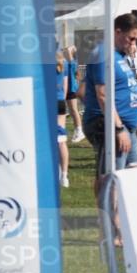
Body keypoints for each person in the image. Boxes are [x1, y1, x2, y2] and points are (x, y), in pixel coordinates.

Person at [83, 13, 137, 199]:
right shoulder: (103, 54)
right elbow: (102, 94)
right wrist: (118, 129)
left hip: (127, 126)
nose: (133, 43)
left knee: (136, 172)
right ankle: (110, 216)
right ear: (118, 32)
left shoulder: (119, 56)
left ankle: (125, 213)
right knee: (111, 179)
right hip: (110, 124)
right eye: (131, 38)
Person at [56, 50, 70, 188]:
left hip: (48, 101)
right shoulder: (64, 62)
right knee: (61, 140)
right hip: (60, 101)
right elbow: (65, 85)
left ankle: (59, 172)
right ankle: (64, 175)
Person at [65, 45, 85, 143]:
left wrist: (71, 48)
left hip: (71, 89)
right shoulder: (67, 62)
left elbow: (69, 51)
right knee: (71, 111)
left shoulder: (72, 62)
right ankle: (77, 131)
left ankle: (79, 131)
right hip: (66, 88)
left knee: (73, 110)